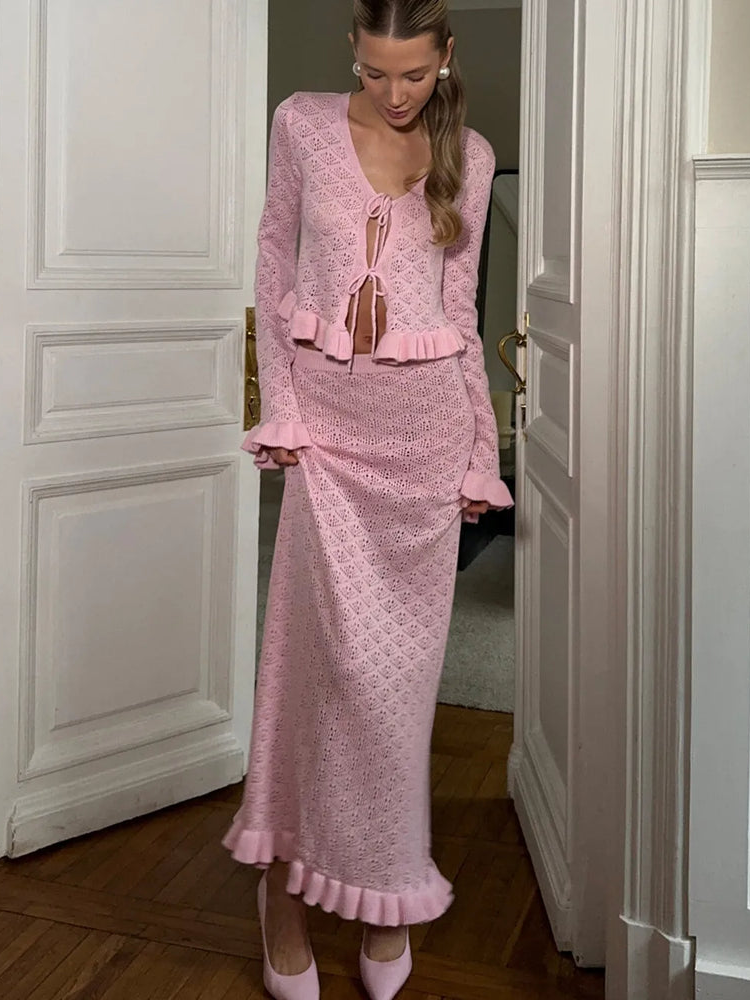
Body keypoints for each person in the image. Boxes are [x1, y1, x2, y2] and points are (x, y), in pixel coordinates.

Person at [222, 2, 513, 997]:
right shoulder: (301, 122)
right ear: (353, 48)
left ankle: (386, 895)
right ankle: (282, 893)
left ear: (443, 60)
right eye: (379, 71)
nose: (395, 94)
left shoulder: (466, 154)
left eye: (415, 75)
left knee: (392, 695)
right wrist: (286, 412)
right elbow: (270, 261)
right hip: (329, 442)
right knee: (314, 670)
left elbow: (462, 315)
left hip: (422, 442)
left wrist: (479, 452)